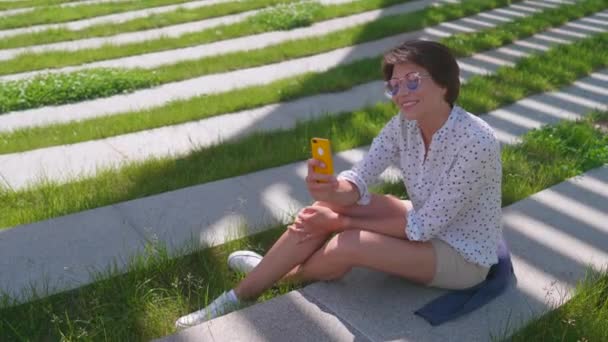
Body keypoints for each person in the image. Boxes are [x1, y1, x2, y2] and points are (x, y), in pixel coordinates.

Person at [175, 39, 503, 329]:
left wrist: (340, 221)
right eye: (395, 86)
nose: (402, 93)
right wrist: (332, 190)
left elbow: (426, 226)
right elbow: (361, 177)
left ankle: (259, 284)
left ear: (445, 84)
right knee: (328, 205)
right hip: (423, 218)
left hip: (462, 253)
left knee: (348, 242)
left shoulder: (477, 142)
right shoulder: (403, 125)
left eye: (413, 82)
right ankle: (260, 278)